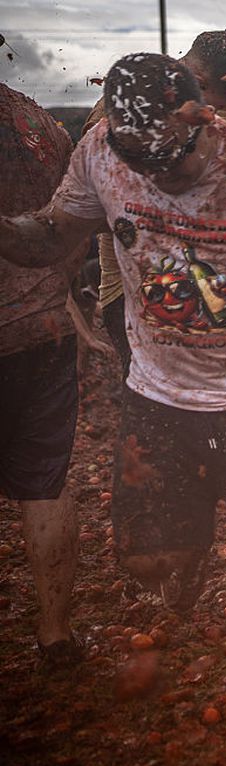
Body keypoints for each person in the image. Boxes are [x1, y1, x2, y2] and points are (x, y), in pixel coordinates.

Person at [0, 54, 226, 723]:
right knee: (147, 564)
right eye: (145, 164)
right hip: (159, 398)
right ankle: (191, 551)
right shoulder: (102, 150)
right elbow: (50, 236)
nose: (162, 177)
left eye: (175, 158)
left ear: (205, 116)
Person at [95, 30, 226, 379]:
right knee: (159, 397)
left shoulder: (213, 122)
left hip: (203, 284)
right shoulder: (122, 111)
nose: (225, 122)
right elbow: (94, 207)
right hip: (139, 291)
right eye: (221, 111)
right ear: (198, 84)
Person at [0, 83, 86, 668]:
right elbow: (74, 220)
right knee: (45, 482)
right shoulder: (42, 125)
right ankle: (56, 632)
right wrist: (64, 291)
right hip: (46, 325)